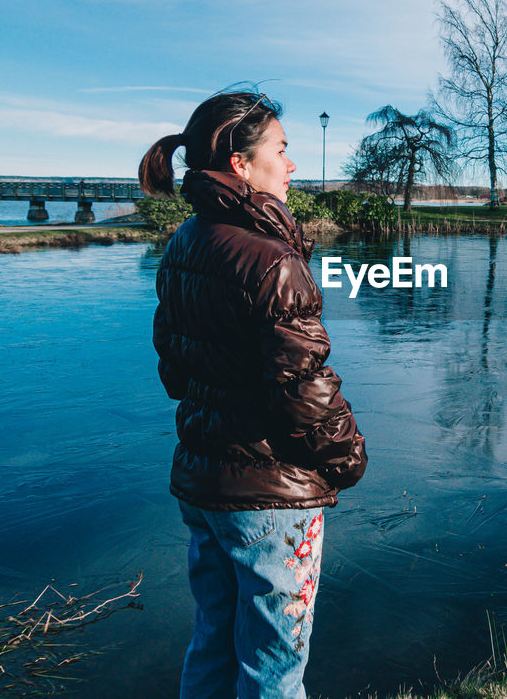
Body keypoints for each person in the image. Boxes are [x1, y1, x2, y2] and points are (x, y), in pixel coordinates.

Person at [139, 91, 368, 699]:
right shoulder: (272, 262)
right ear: (241, 165)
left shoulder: (184, 243)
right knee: (274, 664)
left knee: (213, 640)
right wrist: (348, 459)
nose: (292, 166)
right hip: (271, 497)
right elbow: (304, 389)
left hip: (203, 482)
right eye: (282, 151)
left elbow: (173, 372)